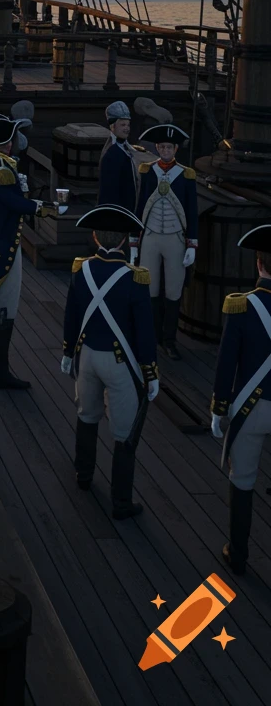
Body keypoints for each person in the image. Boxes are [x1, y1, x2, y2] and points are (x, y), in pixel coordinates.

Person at [61, 205, 159, 519]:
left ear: (95, 236)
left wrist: (67, 353)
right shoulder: (136, 278)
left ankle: (84, 475)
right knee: (124, 433)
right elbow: (144, 333)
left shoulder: (81, 269)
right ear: (125, 241)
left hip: (87, 356)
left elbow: (72, 316)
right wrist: (150, 372)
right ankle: (120, 502)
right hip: (120, 364)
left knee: (87, 416)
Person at [0, 113, 58, 389]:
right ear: (8, 143)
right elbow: (14, 203)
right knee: (6, 306)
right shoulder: (3, 171)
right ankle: (1, 373)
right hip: (1, 247)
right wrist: (46, 208)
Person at [210, 224, 271, 574]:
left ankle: (238, 554)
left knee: (243, 481)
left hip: (250, 408)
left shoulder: (241, 306)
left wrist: (220, 407)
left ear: (259, 265)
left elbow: (226, 363)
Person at [135, 124, 199, 361]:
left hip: (175, 238)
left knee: (173, 291)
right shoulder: (147, 171)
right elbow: (140, 206)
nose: (165, 150)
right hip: (150, 236)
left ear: (175, 149)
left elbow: (192, 211)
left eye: (168, 147)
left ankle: (169, 341)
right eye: (161, 147)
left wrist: (192, 244)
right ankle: (151, 338)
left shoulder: (186, 175)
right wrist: (134, 243)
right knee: (149, 290)